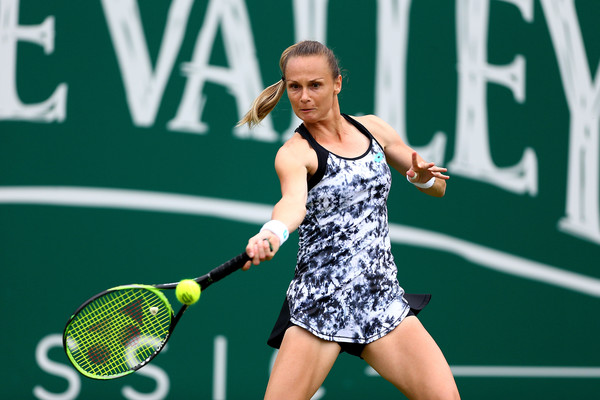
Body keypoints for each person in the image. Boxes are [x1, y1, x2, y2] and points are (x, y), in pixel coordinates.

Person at [239, 40, 460, 400]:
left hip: (381, 300)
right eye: (295, 87)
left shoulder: (374, 129)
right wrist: (273, 232)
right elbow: (292, 203)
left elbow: (437, 187)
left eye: (315, 85)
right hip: (320, 306)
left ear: (337, 83)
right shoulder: (295, 153)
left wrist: (420, 175)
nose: (304, 97)